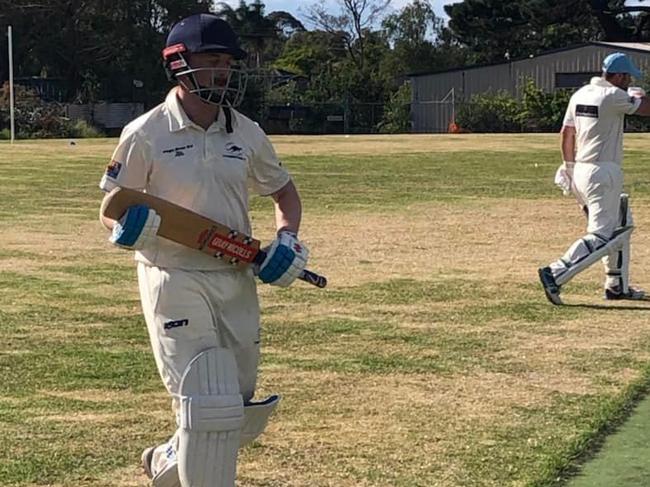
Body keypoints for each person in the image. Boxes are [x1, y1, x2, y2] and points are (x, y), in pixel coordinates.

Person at [98, 13, 309, 486]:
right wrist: (126, 228)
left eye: (228, 63)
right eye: (212, 61)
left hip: (234, 274)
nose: (222, 72)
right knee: (206, 403)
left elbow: (285, 194)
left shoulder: (246, 132)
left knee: (236, 408)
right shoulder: (145, 133)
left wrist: (287, 238)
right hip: (173, 275)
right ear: (179, 63)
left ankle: (168, 457)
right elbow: (111, 209)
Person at [538, 52, 650, 305]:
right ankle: (555, 273)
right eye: (627, 76)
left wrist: (568, 166)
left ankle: (616, 285)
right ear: (618, 76)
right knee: (602, 235)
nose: (629, 79)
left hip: (580, 169)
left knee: (622, 225)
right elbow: (646, 108)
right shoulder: (613, 95)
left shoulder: (581, 94)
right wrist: (638, 93)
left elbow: (567, 133)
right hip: (603, 172)